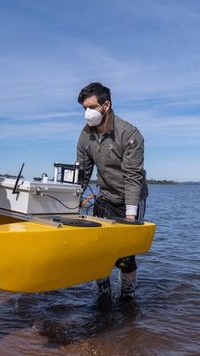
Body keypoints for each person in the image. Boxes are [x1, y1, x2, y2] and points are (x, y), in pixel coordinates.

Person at [76, 82, 148, 303]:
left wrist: (130, 216)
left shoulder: (129, 134)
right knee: (98, 252)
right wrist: (70, 203)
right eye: (83, 108)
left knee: (125, 255)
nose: (87, 113)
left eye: (91, 107)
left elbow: (132, 177)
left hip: (129, 198)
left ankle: (128, 297)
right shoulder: (85, 135)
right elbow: (82, 174)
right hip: (104, 197)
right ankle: (103, 296)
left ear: (106, 105)